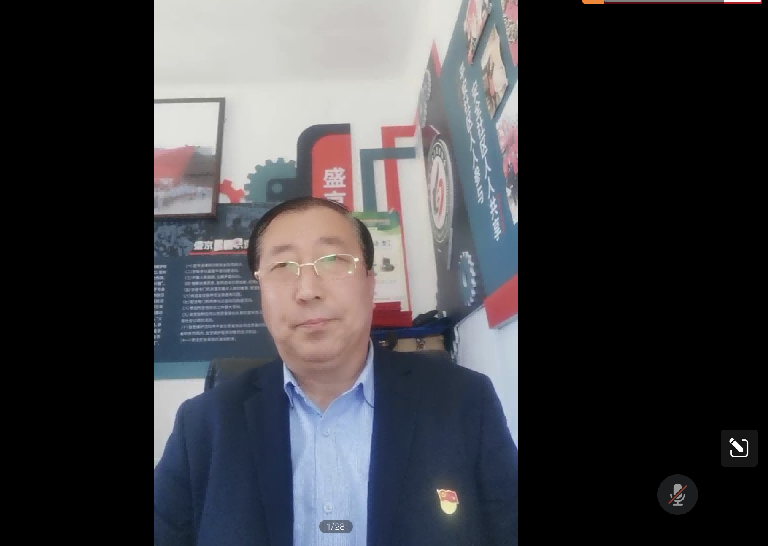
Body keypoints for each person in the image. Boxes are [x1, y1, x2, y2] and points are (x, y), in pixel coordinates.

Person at [154, 196, 518, 546]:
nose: (307, 290)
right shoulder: (201, 425)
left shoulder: (464, 400)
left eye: (333, 260)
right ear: (261, 295)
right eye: (282, 267)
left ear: (370, 283)